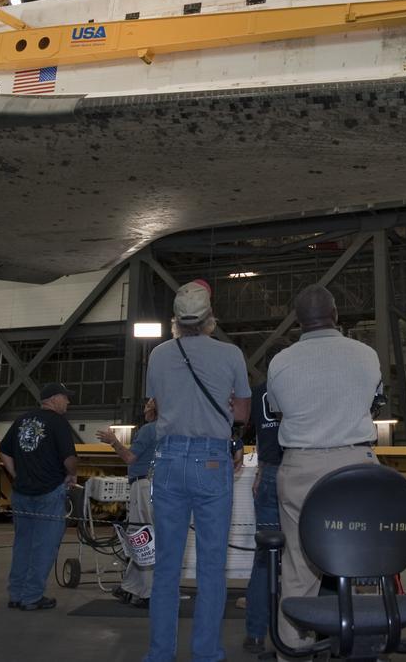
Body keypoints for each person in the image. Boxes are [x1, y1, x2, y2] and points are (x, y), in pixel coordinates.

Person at [267, 283, 381, 650]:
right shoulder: (366, 354)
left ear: (297, 321)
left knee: (299, 568)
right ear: (336, 315)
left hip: (301, 466)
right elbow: (372, 403)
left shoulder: (281, 361)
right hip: (356, 468)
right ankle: (364, 645)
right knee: (365, 560)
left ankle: (295, 652)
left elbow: (280, 410)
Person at [142, 280, 251, 662]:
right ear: (209, 320)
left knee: (167, 567)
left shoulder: (158, 355)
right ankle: (206, 653)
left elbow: (154, 406)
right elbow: (240, 412)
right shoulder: (231, 354)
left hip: (169, 461)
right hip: (211, 461)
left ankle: (159, 654)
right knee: (210, 566)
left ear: (175, 321)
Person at [0, 382, 78, 611]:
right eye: (65, 397)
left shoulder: (21, 420)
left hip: (22, 492)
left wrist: (15, 475)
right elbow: (69, 458)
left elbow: (4, 451)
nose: (68, 402)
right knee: (44, 546)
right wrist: (72, 474)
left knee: (23, 544)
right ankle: (32, 597)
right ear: (53, 399)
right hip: (49, 493)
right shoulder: (58, 423)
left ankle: (16, 594)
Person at [96, 397, 159, 608]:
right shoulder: (172, 429)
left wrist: (114, 441)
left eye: (148, 404)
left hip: (143, 485)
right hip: (161, 488)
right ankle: (131, 587)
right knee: (146, 537)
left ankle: (148, 592)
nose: (145, 408)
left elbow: (130, 458)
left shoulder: (149, 430)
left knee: (143, 538)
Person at [242, 380, 284, 656]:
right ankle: (318, 627)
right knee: (317, 550)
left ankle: (256, 634)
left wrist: (260, 470)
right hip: (301, 469)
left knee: (265, 556)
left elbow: (252, 432)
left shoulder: (257, 392)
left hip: (269, 473)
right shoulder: (302, 381)